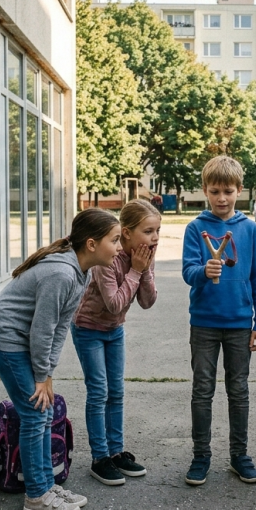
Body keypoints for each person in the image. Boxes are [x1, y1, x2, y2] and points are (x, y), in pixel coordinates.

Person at [0, 208, 122, 510]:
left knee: (41, 411)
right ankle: (37, 496)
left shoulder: (80, 271)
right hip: (4, 339)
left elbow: (59, 327)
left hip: (21, 340)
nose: (120, 247)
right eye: (116, 240)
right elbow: (41, 330)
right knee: (34, 414)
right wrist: (41, 374)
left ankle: (45, 484)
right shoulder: (62, 274)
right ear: (92, 243)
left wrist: (47, 373)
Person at [181, 155, 256, 486]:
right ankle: (201, 455)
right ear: (205, 190)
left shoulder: (249, 230)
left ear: (239, 190)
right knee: (202, 389)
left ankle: (239, 455)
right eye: (215, 191)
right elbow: (188, 272)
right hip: (204, 322)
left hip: (238, 324)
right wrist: (204, 271)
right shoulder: (196, 228)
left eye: (228, 191)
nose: (222, 198)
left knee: (239, 389)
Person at [72, 200, 160, 486]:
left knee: (117, 391)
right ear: (126, 233)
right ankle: (100, 458)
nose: (154, 238)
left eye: (157, 231)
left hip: (114, 330)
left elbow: (147, 301)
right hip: (89, 329)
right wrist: (135, 271)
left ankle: (116, 451)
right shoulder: (107, 258)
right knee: (99, 392)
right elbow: (113, 304)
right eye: (148, 231)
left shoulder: (143, 256)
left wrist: (143, 269)